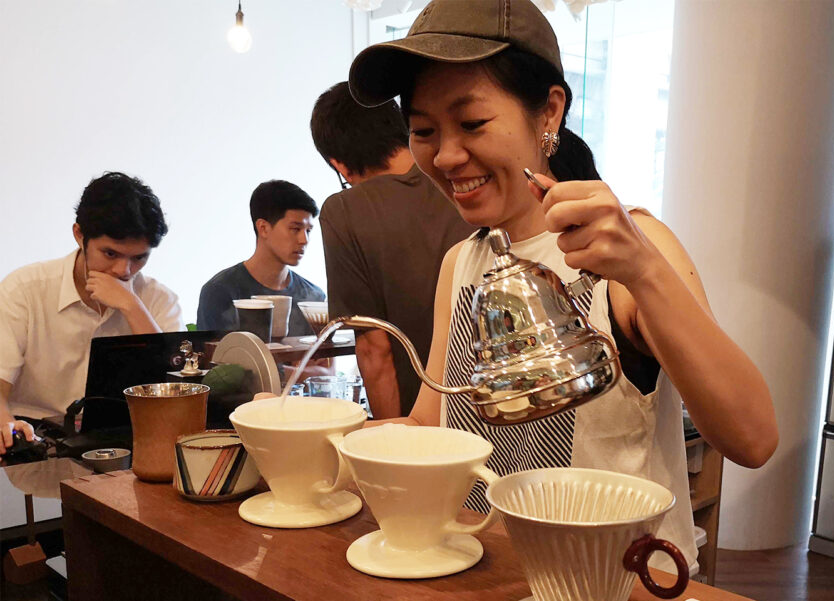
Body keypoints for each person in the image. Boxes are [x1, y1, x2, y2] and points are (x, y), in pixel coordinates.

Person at [347, 0, 780, 571]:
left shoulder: (630, 248)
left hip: (617, 579)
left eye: (472, 123)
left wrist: (645, 272)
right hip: (487, 567)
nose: (447, 155)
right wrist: (343, 440)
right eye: (424, 130)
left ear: (549, 112)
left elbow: (752, 439)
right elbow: (434, 425)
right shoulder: (461, 262)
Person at [310, 83, 472, 419]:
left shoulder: (345, 211)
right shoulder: (463, 182)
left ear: (339, 164)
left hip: (425, 422)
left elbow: (374, 349)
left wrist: (389, 440)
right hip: (506, 411)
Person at [0, 172, 182, 452]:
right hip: (37, 436)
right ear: (79, 235)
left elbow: (174, 393)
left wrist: (133, 307)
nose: (124, 270)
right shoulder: (24, 289)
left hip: (128, 438)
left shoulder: (158, 299)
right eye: (110, 254)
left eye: (139, 257)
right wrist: (6, 424)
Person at [197, 180, 326, 337]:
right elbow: (214, 359)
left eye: (308, 231)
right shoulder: (220, 292)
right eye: (295, 229)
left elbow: (325, 360)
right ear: (263, 228)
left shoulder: (314, 298)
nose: (304, 240)